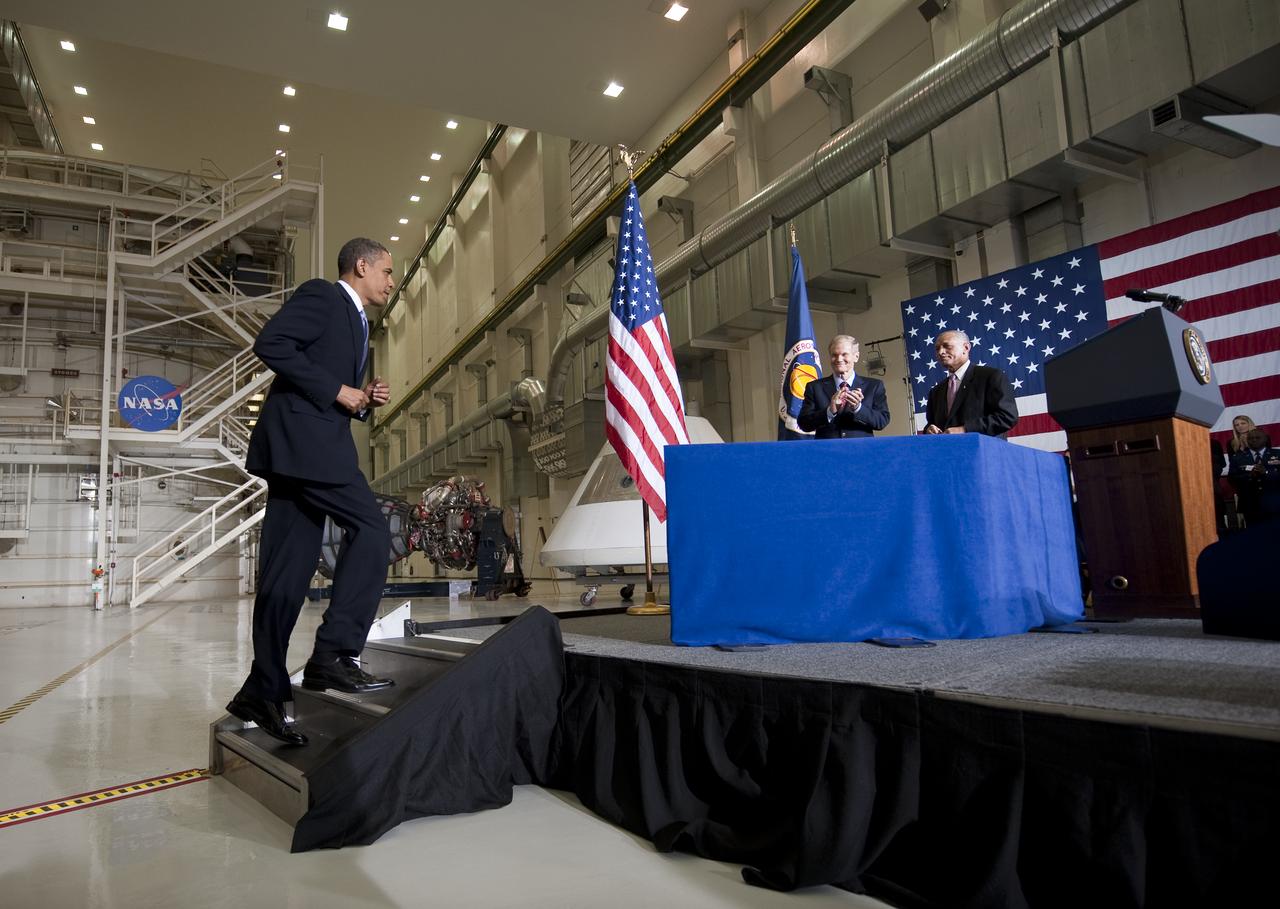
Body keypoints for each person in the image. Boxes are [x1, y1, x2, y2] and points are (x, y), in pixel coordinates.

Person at [226, 237, 397, 746]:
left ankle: (264, 689)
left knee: (286, 576)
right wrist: (337, 390)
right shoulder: (325, 295)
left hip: (301, 452)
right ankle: (334, 654)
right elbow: (272, 344)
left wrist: (364, 399)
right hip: (309, 447)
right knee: (371, 527)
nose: (391, 282)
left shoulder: (361, 322)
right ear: (362, 267)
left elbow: (338, 390)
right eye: (387, 271)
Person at [923, 329, 1018, 437]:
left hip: (984, 451)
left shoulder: (990, 377)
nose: (941, 352)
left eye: (947, 346)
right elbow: (931, 423)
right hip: (948, 452)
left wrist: (965, 429)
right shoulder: (936, 391)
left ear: (966, 348)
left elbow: (1007, 417)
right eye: (937, 349)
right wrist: (929, 429)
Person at [796, 334, 890, 438]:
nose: (839, 359)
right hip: (827, 451)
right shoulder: (814, 387)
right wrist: (830, 411)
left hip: (861, 451)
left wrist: (858, 408)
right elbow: (804, 424)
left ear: (856, 357)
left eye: (844, 354)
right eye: (834, 355)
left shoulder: (874, 386)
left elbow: (882, 421)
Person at [1228, 428, 1280, 527]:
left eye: (1257, 437)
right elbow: (1232, 479)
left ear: (1265, 439)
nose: (1254, 440)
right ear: (1247, 440)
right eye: (1251, 438)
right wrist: (1249, 476)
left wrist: (1267, 472)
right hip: (1250, 504)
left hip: (1275, 503)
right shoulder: (1237, 457)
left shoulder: (1278, 454)